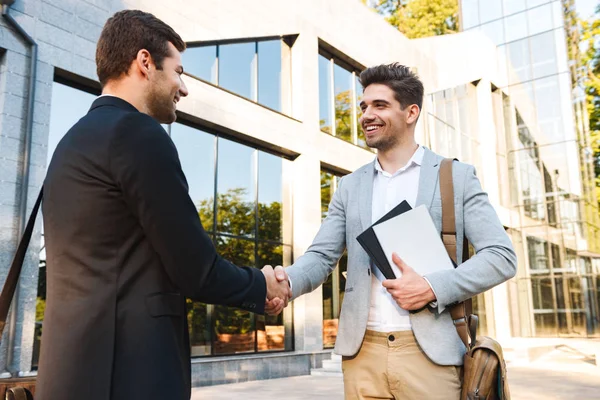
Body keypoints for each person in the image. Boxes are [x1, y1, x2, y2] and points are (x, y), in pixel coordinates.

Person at [36, 10, 290, 400]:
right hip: (129, 376)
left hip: (70, 375)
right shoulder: (138, 133)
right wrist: (262, 285)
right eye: (178, 72)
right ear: (144, 62)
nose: (183, 88)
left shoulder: (71, 143)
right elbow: (196, 269)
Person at [267, 63, 517, 399]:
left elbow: (501, 256)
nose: (366, 114)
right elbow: (321, 255)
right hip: (362, 354)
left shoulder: (455, 177)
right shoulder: (349, 186)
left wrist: (431, 287)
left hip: (431, 356)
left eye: (379, 105)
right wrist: (288, 284)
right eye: (364, 106)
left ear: (411, 112)